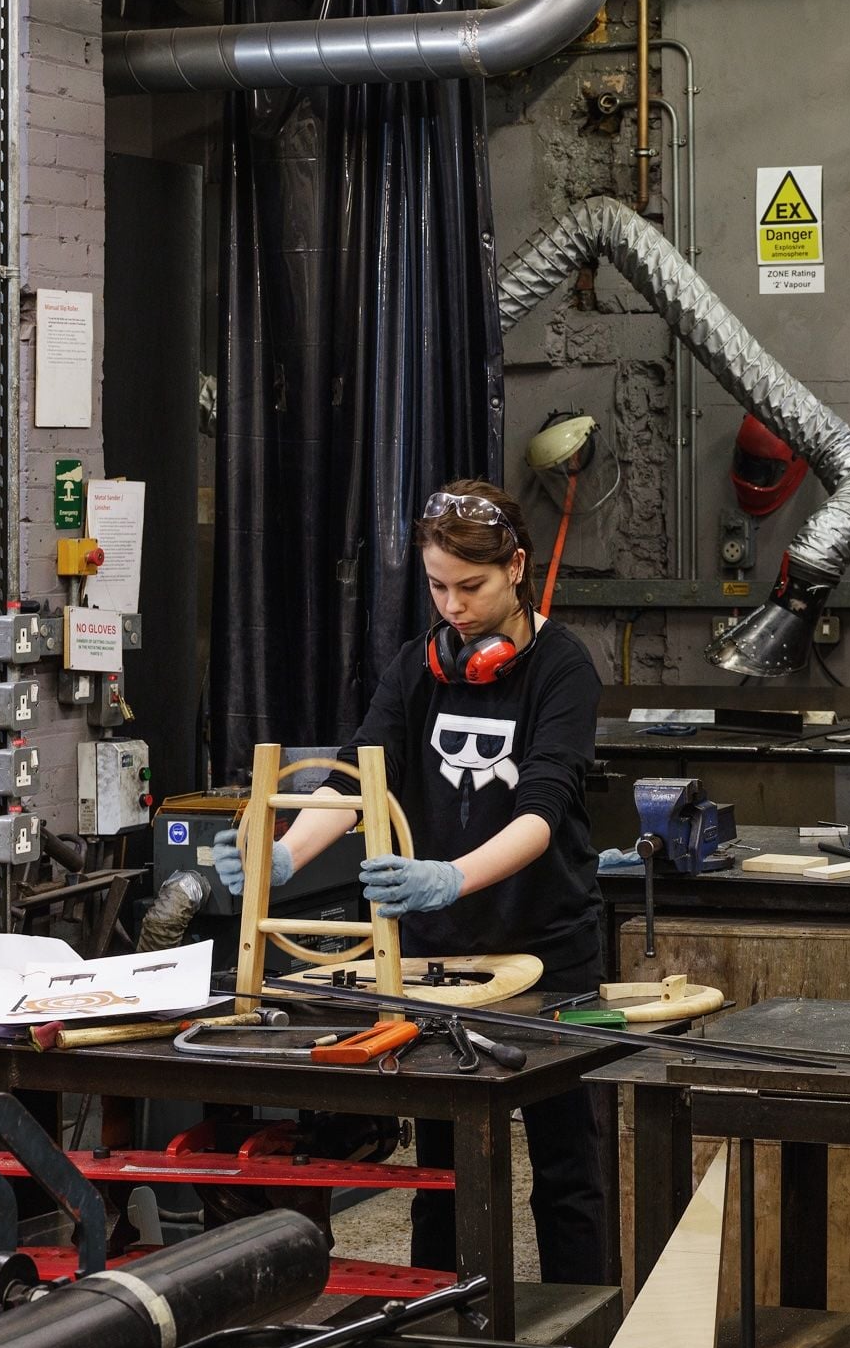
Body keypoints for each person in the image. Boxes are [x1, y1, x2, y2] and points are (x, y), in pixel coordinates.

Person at [211, 480, 607, 1280]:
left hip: (550, 953)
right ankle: (444, 1325)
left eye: (473, 586)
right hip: (439, 964)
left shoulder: (561, 668)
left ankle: (589, 1345)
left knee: (569, 1174)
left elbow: (541, 814)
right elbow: (353, 782)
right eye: (437, 586)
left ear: (517, 568)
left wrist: (448, 877)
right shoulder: (415, 669)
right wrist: (284, 857)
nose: (454, 607)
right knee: (445, 1174)